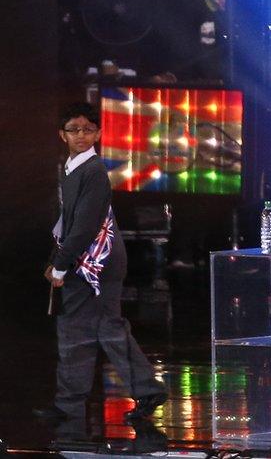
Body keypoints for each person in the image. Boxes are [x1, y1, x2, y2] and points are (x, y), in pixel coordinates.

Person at [34, 102, 168, 423]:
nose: (81, 135)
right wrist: (58, 259)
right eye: (74, 130)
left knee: (100, 329)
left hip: (97, 262)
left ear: (98, 133)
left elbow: (85, 225)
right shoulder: (72, 167)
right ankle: (72, 405)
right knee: (79, 330)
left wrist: (61, 265)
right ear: (62, 134)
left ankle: (143, 390)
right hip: (85, 261)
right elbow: (68, 221)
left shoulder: (93, 171)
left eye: (88, 130)